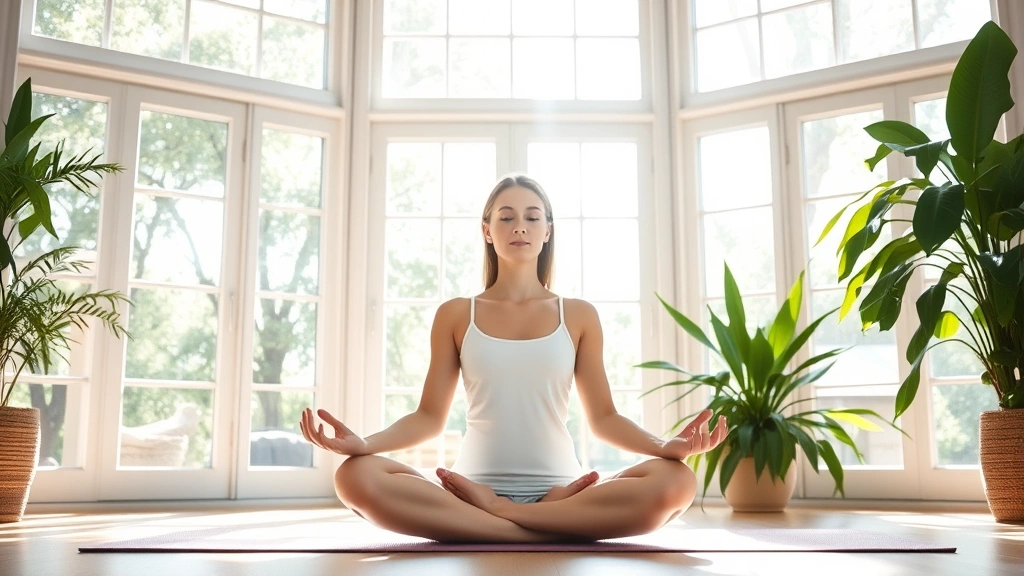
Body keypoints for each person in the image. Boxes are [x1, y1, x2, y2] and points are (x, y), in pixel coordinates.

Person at [300, 174, 727, 543]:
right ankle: (546, 528)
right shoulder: (456, 314)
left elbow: (604, 418)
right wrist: (364, 444)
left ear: (547, 231)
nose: (518, 227)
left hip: (564, 491)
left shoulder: (578, 315)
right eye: (505, 217)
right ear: (487, 230)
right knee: (353, 476)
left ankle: (497, 518)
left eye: (531, 217)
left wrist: (663, 446)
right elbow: (429, 417)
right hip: (468, 491)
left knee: (676, 481)